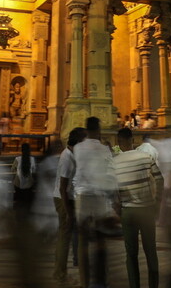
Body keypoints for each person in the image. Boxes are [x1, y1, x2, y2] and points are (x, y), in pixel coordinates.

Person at [115, 128, 164, 288]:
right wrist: (157, 203)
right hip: (147, 209)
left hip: (128, 211)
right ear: (132, 140)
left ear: (119, 142)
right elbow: (160, 179)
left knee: (131, 255)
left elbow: (111, 191)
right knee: (151, 252)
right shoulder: (145, 157)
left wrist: (118, 209)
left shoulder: (114, 163)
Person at [72, 116, 117, 288]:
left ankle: (85, 281)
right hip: (99, 196)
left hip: (83, 195)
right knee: (100, 238)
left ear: (86, 130)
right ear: (98, 130)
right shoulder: (104, 149)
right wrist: (114, 198)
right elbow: (110, 172)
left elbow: (80, 171)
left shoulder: (78, 148)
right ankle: (100, 280)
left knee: (83, 240)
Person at [53, 127, 85, 285]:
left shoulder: (73, 154)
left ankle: (72, 269)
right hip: (63, 199)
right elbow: (62, 186)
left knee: (72, 235)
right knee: (65, 236)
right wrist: (68, 211)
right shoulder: (67, 157)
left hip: (70, 198)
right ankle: (60, 273)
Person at [11, 141, 37, 215]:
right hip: (29, 184)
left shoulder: (17, 159)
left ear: (21, 150)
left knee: (19, 201)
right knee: (28, 202)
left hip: (18, 184)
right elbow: (34, 171)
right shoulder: (32, 159)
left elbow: (12, 169)